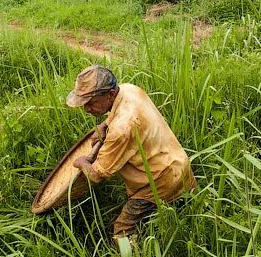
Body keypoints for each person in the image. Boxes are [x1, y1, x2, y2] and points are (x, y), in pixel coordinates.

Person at [67, 65, 196, 238]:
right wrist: (106, 124)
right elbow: (119, 113)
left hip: (158, 181)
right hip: (179, 163)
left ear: (110, 94)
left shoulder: (121, 129)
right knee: (190, 207)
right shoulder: (129, 90)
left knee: (122, 231)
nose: (86, 109)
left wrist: (82, 163)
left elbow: (97, 175)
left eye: (90, 103)